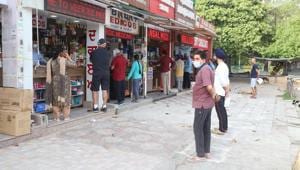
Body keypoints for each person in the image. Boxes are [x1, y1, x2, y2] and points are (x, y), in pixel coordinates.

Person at [192, 50, 219, 160]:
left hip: (202, 104)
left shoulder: (204, 70)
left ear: (203, 59)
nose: (195, 61)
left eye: (197, 59)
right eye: (194, 59)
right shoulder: (207, 68)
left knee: (198, 128)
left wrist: (215, 96)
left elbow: (208, 86)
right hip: (206, 103)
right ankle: (206, 151)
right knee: (205, 127)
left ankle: (200, 154)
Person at [45, 49, 76, 121]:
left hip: (55, 81)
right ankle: (66, 116)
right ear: (61, 53)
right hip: (64, 81)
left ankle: (57, 117)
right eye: (64, 52)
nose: (65, 53)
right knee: (65, 98)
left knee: (55, 99)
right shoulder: (64, 60)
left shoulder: (50, 62)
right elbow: (74, 65)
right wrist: (68, 57)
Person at [90, 39, 110, 112]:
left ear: (98, 44)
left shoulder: (93, 52)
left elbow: (91, 61)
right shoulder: (108, 53)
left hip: (97, 73)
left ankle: (95, 106)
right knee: (105, 89)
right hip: (106, 73)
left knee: (95, 90)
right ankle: (104, 106)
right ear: (104, 44)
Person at [213, 48, 230, 135]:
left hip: (219, 92)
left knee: (220, 111)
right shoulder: (223, 66)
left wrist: (226, 90)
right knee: (222, 110)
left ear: (217, 56)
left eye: (214, 55)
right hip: (221, 91)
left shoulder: (221, 67)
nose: (213, 56)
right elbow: (226, 80)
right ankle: (224, 127)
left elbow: (223, 81)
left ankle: (222, 128)